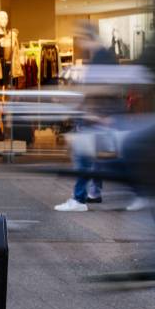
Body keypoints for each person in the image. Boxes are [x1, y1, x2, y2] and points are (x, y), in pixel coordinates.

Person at [55, 25, 119, 212]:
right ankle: (92, 192)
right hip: (99, 114)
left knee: (83, 156)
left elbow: (108, 87)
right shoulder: (101, 57)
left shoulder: (102, 58)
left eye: (81, 39)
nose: (80, 44)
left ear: (88, 38)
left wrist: (97, 113)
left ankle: (79, 198)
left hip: (98, 115)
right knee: (95, 157)